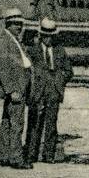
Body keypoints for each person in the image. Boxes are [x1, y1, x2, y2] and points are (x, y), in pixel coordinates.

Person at [0, 8, 34, 169]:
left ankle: (6, 155)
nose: (19, 27)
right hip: (15, 90)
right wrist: (12, 90)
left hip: (18, 88)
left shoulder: (14, 40)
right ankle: (16, 158)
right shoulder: (4, 41)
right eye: (16, 24)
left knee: (8, 122)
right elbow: (3, 68)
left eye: (20, 24)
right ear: (8, 24)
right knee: (16, 123)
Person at [26, 18, 73, 164]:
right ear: (40, 35)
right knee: (35, 124)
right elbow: (28, 71)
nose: (48, 39)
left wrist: (59, 80)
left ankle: (49, 155)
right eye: (45, 36)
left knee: (51, 124)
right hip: (38, 92)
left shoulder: (60, 50)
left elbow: (69, 71)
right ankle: (31, 154)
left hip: (53, 92)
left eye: (51, 36)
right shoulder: (32, 51)